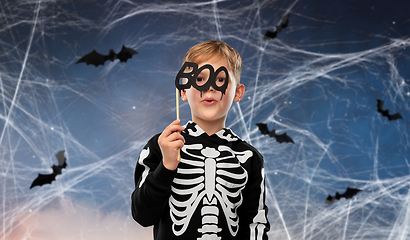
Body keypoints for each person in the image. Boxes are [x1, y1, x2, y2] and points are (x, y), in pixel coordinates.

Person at [131, 40, 270, 239]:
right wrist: (167, 166)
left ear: (238, 92)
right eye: (199, 79)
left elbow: (256, 223)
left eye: (221, 80)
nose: (210, 87)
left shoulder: (249, 157)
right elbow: (142, 215)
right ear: (183, 90)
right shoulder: (161, 145)